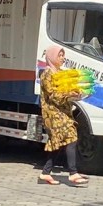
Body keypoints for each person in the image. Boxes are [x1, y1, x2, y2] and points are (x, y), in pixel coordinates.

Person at [37, 45, 89, 186]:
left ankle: (45, 173)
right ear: (52, 57)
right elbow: (53, 96)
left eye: (63, 55)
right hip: (53, 114)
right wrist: (68, 95)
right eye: (60, 56)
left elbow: (67, 90)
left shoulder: (60, 73)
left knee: (59, 142)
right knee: (71, 136)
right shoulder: (47, 74)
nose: (62, 58)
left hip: (63, 112)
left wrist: (77, 93)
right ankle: (73, 173)